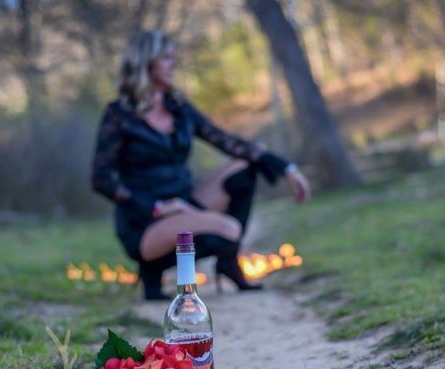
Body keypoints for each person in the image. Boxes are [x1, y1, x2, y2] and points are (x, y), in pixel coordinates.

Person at [91, 31, 311, 300]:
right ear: (147, 62)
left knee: (244, 168)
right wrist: (157, 207)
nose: (174, 64)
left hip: (185, 203)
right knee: (230, 230)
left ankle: (228, 264)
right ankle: (151, 272)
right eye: (167, 58)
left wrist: (287, 168)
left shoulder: (179, 108)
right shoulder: (119, 116)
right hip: (146, 220)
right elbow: (101, 178)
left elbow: (227, 141)